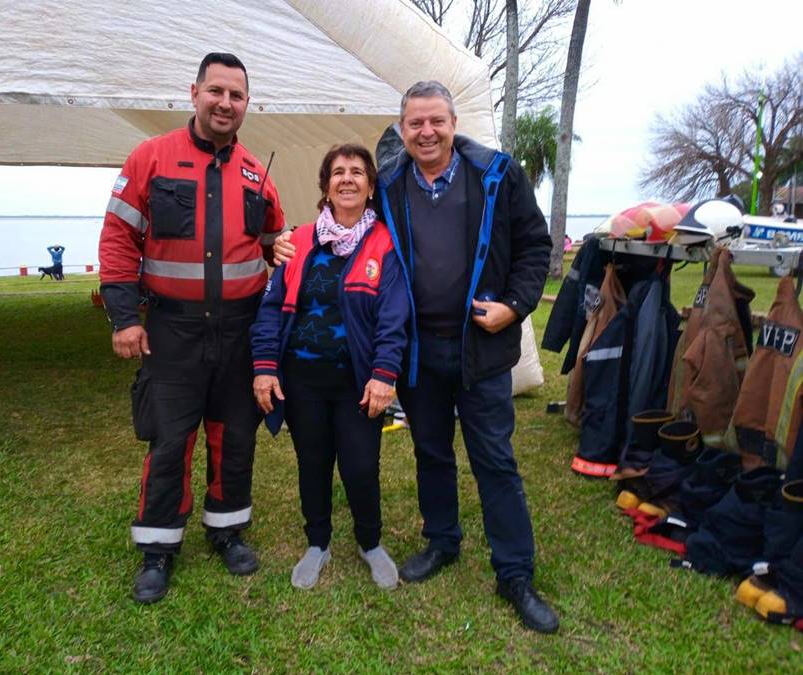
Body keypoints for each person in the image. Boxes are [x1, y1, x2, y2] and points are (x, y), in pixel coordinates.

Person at [273, 81, 557, 632]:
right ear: (402, 130)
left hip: (481, 346)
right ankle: (442, 541)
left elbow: (534, 246)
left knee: (495, 460)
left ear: (453, 124)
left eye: (436, 121)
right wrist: (285, 243)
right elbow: (343, 225)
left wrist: (516, 305)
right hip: (419, 351)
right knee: (431, 451)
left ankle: (515, 574)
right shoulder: (391, 184)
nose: (426, 132)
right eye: (415, 124)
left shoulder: (496, 175)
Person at [98, 52, 285, 604]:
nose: (226, 103)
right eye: (216, 91)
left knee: (235, 436)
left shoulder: (257, 173)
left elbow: (275, 245)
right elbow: (118, 239)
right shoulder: (150, 158)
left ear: (247, 104)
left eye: (237, 95)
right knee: (170, 438)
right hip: (172, 330)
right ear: (195, 93)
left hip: (239, 331)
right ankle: (158, 548)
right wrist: (124, 318)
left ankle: (228, 531)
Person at [250, 144, 409, 590]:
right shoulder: (298, 240)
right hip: (302, 382)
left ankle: (370, 543)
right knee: (312, 463)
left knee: (360, 466)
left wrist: (384, 374)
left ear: (371, 187)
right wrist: (264, 366)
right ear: (325, 185)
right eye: (338, 172)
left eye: (357, 172)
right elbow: (270, 309)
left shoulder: (386, 244)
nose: (347, 179)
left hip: (357, 382)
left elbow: (394, 317)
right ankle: (317, 542)